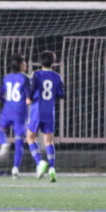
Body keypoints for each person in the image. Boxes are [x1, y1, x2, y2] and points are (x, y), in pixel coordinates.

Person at [26, 51, 65, 182]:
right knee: (49, 141)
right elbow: (62, 94)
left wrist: (29, 98)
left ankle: (39, 162)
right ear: (53, 62)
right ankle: (52, 169)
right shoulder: (57, 76)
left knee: (30, 137)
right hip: (49, 110)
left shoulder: (36, 74)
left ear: (40, 62)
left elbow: (32, 88)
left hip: (37, 109)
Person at [0, 54, 30, 178]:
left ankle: (3, 142)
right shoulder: (25, 78)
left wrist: (6, 101)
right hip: (20, 112)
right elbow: (29, 97)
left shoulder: (6, 78)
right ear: (20, 65)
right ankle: (15, 168)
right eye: (24, 62)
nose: (26, 64)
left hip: (7, 110)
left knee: (0, 129)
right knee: (19, 140)